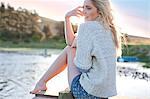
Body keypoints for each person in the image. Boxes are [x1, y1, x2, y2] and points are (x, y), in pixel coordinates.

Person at [30, 0, 122, 98]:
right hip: (104, 94)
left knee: (69, 50)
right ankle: (42, 82)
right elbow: (71, 42)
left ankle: (42, 82)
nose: (84, 11)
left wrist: (77, 56)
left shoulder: (87, 28)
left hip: (87, 93)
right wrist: (67, 18)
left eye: (88, 8)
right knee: (70, 49)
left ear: (100, 11)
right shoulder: (110, 30)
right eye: (83, 7)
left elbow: (83, 67)